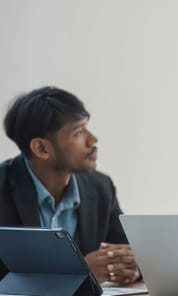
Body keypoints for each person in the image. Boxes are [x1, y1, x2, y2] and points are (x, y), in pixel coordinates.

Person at [0, 86, 140, 285]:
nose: (93, 140)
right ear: (41, 148)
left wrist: (131, 267)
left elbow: (127, 252)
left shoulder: (100, 187)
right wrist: (78, 271)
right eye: (78, 132)